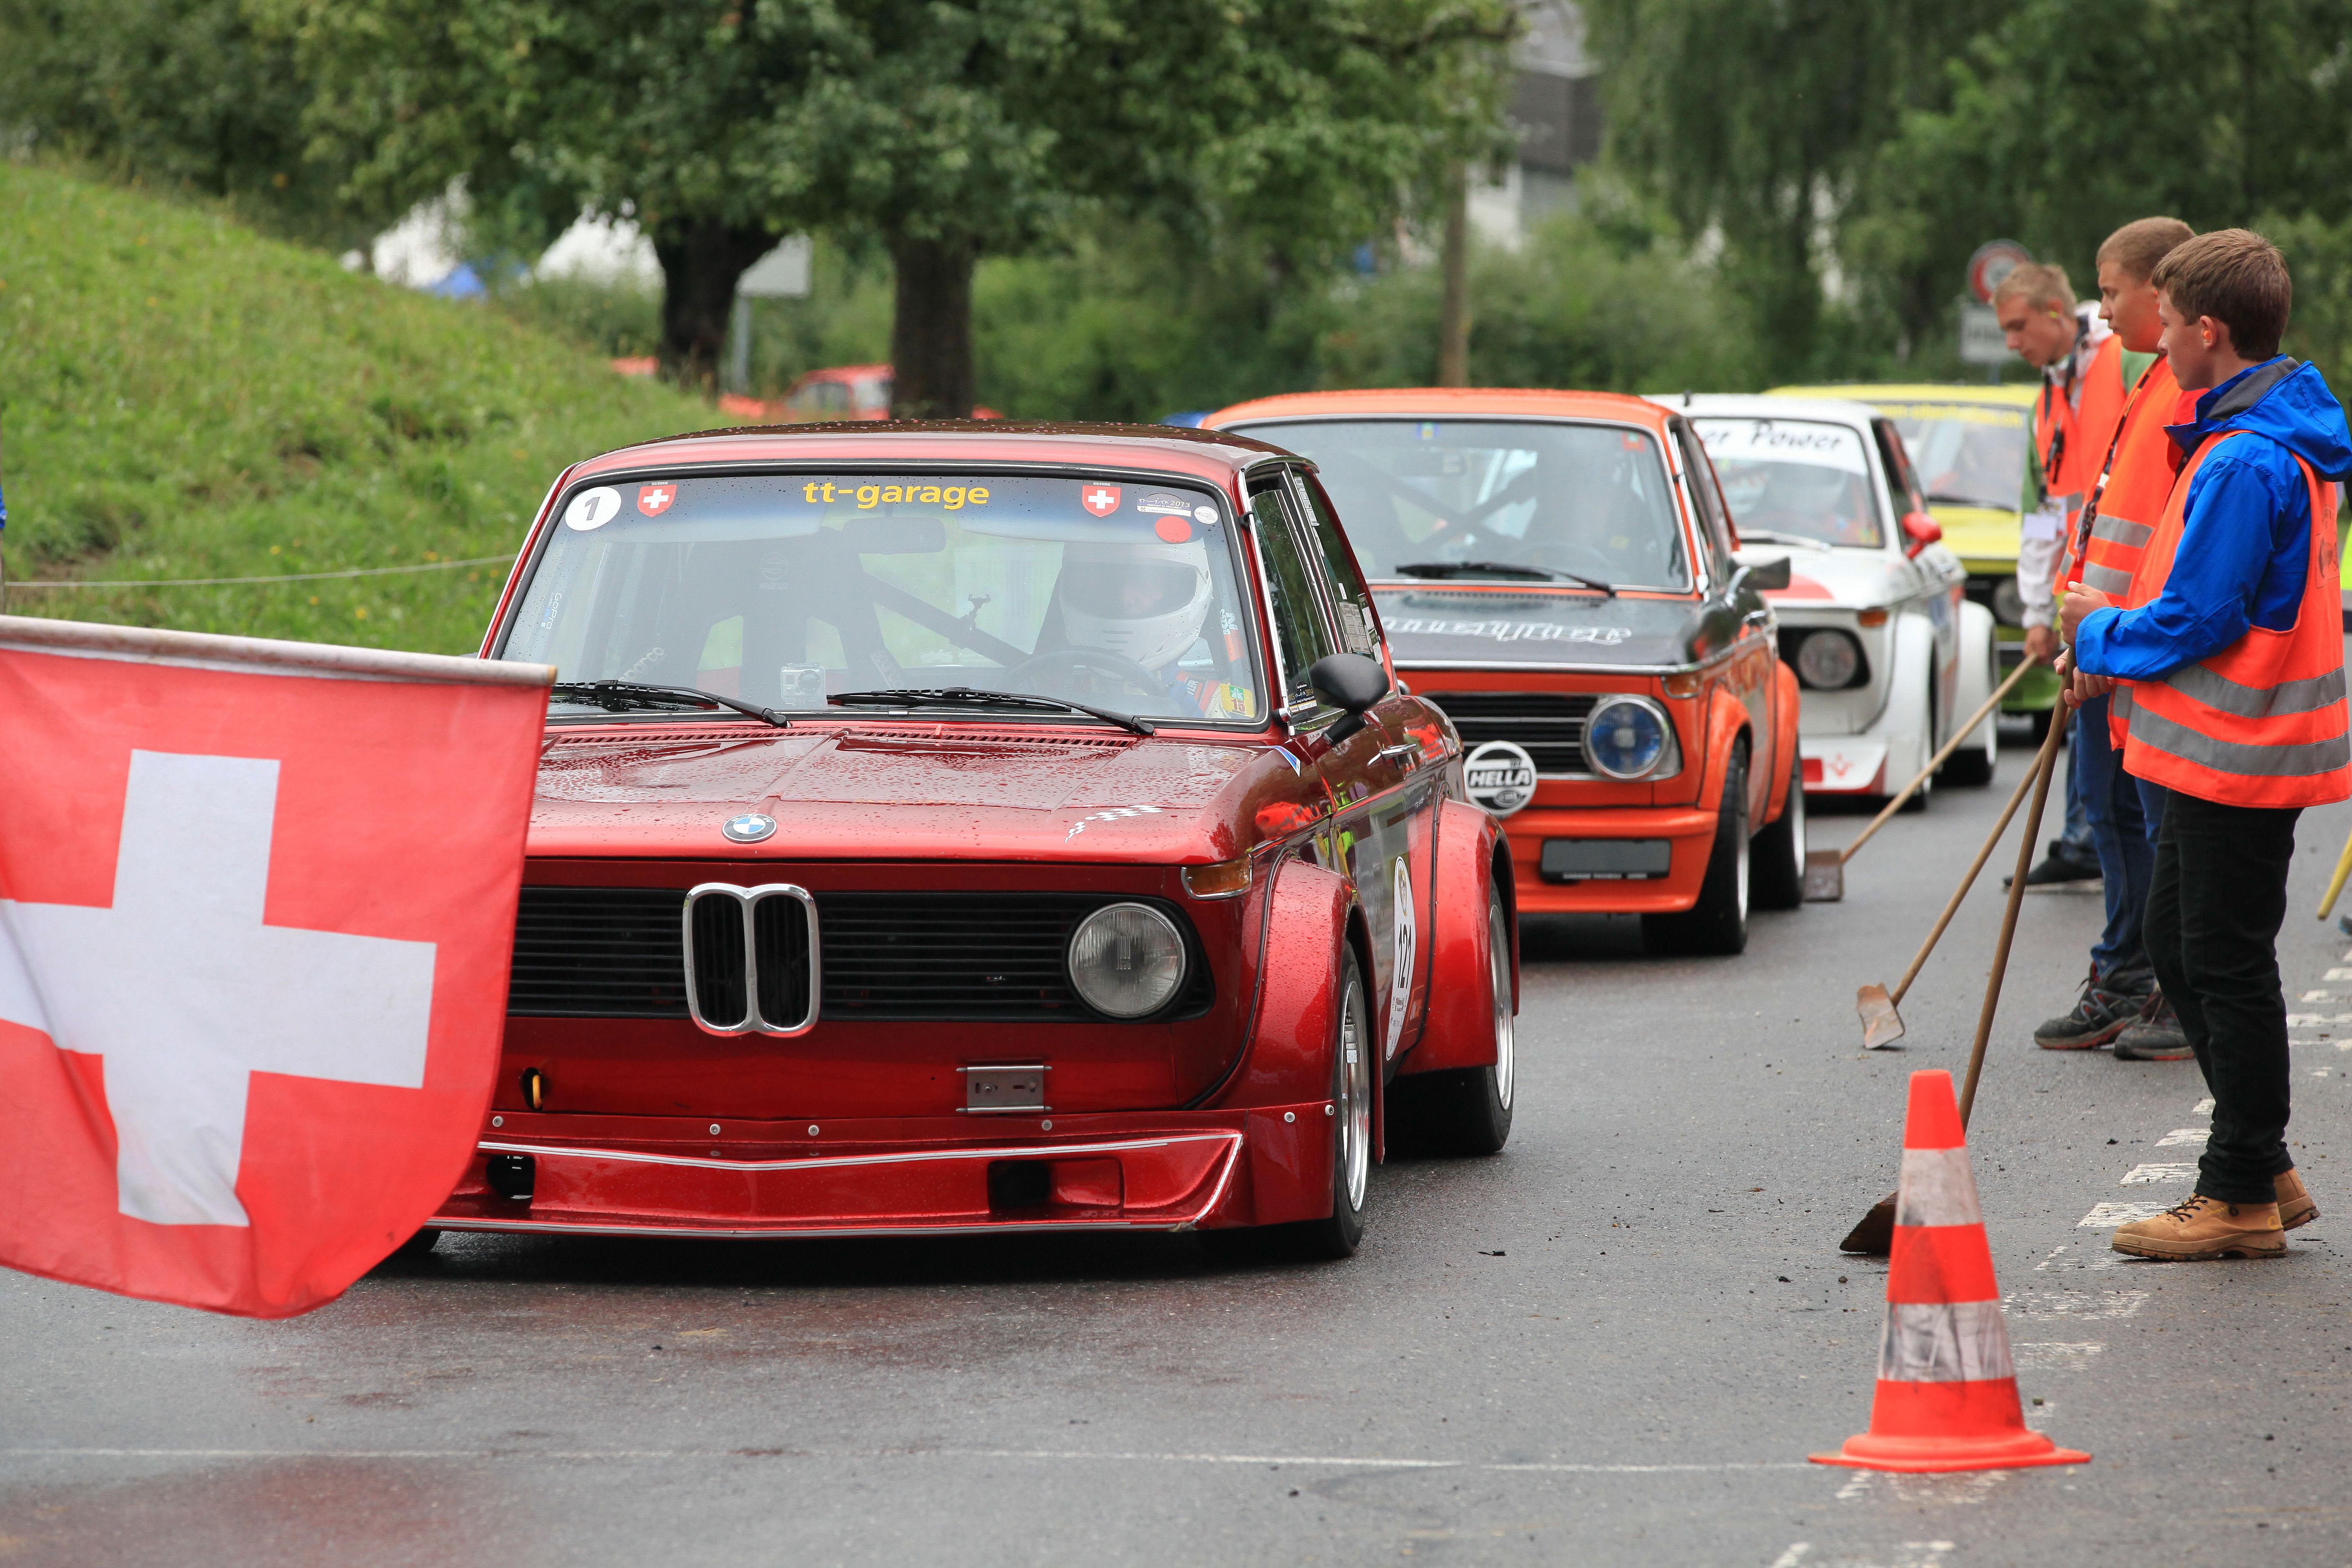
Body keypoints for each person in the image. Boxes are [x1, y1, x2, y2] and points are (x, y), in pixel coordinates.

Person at [2060, 228, 2350, 1259]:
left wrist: (2098, 632)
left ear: (2208, 330)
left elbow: (2202, 617)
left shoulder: (2248, 459)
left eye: (2171, 325)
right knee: (2185, 949)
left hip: (2240, 747)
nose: (2159, 345)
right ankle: (2261, 1163)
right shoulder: (2254, 436)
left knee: (2222, 963)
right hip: (2217, 745)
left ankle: (2235, 1194)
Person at [1997, 263, 2110, 894]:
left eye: (2019, 326)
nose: (2013, 342)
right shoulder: (2048, 393)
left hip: (2118, 590)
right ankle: (2080, 838)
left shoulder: (2120, 363)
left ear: (2056, 314)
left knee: (2099, 736)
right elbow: (2041, 514)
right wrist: (2038, 612)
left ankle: (2089, 840)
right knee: (2078, 717)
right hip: (2075, 591)